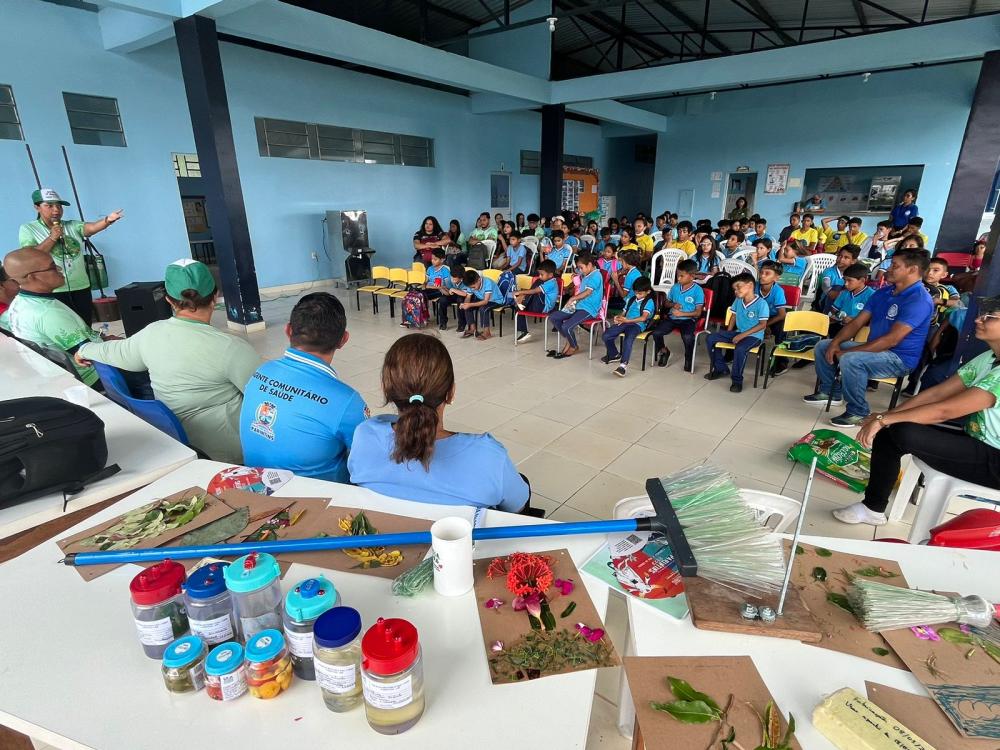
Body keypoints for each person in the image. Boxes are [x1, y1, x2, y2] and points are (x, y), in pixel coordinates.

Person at [832, 295, 1000, 527]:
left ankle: (873, 507)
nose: (979, 320)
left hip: (994, 459)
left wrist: (884, 420)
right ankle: (873, 508)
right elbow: (936, 394)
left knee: (901, 433)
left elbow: (944, 410)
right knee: (894, 429)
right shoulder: (989, 358)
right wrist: (887, 417)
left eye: (990, 317)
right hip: (979, 439)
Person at [76, 259, 260, 462]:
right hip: (230, 451)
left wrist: (85, 349)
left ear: (169, 300)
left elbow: (115, 351)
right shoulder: (231, 347)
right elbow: (268, 399)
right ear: (215, 296)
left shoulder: (151, 334)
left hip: (176, 443)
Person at [348, 334, 530, 511]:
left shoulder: (364, 436)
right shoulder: (489, 456)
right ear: (451, 392)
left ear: (385, 389)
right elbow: (518, 506)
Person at [239, 293, 366, 483]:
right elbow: (369, 456)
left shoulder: (262, 371)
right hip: (316, 503)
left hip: (256, 489)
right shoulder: (347, 400)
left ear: (288, 330)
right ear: (343, 340)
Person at [804, 248, 934, 427]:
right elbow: (857, 323)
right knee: (824, 346)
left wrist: (846, 352)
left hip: (898, 358)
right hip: (875, 348)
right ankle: (831, 392)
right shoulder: (883, 293)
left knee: (851, 359)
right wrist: (835, 343)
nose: (888, 268)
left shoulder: (919, 299)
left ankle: (858, 412)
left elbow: (891, 340)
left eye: (895, 265)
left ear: (912, 270)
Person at [18, 188, 123, 326]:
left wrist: (107, 220)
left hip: (81, 286)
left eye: (59, 206)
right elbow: (32, 257)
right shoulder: (28, 229)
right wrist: (52, 238)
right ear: (37, 207)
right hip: (54, 289)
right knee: (63, 326)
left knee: (85, 324)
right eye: (49, 206)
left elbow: (91, 228)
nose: (56, 210)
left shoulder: (72, 225)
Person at [3, 247, 103, 385]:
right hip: (94, 377)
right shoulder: (47, 313)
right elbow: (91, 355)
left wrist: (101, 339)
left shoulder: (20, 303)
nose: (60, 270)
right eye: (52, 267)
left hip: (61, 375)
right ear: (32, 276)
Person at [704, 272, 769, 393]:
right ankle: (721, 368)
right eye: (734, 289)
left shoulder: (762, 304)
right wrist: (728, 333)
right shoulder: (738, 300)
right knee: (711, 338)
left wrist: (742, 335)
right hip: (738, 333)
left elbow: (762, 325)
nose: (735, 291)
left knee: (740, 349)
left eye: (738, 288)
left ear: (750, 285)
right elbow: (733, 316)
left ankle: (737, 381)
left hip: (754, 336)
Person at [548, 252, 603, 360]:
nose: (580, 270)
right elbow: (580, 288)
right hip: (578, 305)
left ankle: (574, 346)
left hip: (589, 309)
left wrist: (573, 298)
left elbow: (587, 292)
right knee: (554, 317)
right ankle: (570, 340)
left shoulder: (596, 275)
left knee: (566, 326)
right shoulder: (587, 274)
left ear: (590, 265)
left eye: (581, 267)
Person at [651, 259, 704, 371]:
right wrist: (673, 304)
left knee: (688, 337)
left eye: (681, 276)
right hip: (672, 318)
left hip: (688, 320)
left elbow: (698, 312)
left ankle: (688, 358)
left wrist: (682, 313)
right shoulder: (675, 287)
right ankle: (664, 351)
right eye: (677, 275)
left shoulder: (698, 291)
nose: (678, 278)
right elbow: (666, 302)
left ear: (692, 276)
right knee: (656, 333)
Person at [601, 277, 654, 377]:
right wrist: (619, 317)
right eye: (636, 293)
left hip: (637, 325)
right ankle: (614, 354)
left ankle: (623, 366)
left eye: (640, 293)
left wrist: (627, 320)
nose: (637, 295)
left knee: (628, 339)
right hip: (625, 322)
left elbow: (643, 318)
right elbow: (624, 312)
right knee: (606, 335)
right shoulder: (632, 299)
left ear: (648, 291)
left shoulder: (649, 302)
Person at [513, 259, 559, 343]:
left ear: (551, 275)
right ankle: (524, 332)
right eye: (539, 274)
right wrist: (522, 294)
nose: (540, 276)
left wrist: (521, 292)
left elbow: (534, 291)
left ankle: (522, 301)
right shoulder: (543, 280)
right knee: (518, 309)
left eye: (542, 274)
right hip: (537, 305)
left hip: (543, 307)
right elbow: (533, 290)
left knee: (537, 286)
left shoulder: (551, 283)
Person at [828, 263, 875, 336]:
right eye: (844, 280)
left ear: (862, 280)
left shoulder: (872, 295)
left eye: (850, 280)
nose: (846, 284)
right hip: (841, 326)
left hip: (860, 330)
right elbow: (834, 310)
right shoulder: (844, 293)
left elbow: (872, 319)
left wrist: (854, 321)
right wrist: (840, 316)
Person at [815, 245, 861, 312]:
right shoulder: (829, 271)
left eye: (846, 257)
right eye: (839, 256)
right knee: (837, 287)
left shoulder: (853, 275)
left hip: (844, 305)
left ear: (853, 261)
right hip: (825, 304)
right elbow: (827, 288)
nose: (841, 259)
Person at [459, 268, 501, 340]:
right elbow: (468, 297)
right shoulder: (471, 284)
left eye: (473, 287)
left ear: (479, 280)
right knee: (467, 306)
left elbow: (485, 302)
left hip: (495, 300)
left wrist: (469, 304)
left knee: (483, 308)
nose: (473, 289)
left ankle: (487, 332)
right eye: (471, 287)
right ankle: (473, 329)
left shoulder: (487, 282)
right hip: (482, 299)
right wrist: (465, 304)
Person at [423, 249, 453, 330]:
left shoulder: (445, 270)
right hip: (435, 289)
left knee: (422, 295)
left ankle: (425, 318)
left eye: (435, 259)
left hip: (442, 292)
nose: (432, 261)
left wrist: (439, 287)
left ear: (442, 259)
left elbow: (448, 287)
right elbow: (425, 284)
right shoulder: (430, 269)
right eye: (432, 259)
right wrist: (437, 287)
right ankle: (420, 317)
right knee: (419, 294)